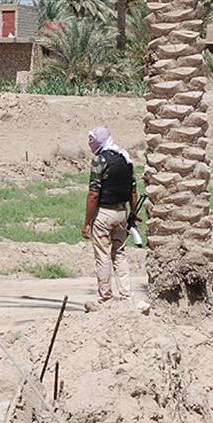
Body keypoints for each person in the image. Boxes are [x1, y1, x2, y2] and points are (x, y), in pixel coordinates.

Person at [82, 127, 139, 312]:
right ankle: (127, 297)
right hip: (121, 213)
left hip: (104, 214)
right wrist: (133, 213)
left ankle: (105, 299)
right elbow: (133, 191)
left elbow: (93, 194)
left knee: (103, 256)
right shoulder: (125, 158)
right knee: (120, 254)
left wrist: (87, 222)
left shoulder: (100, 160)